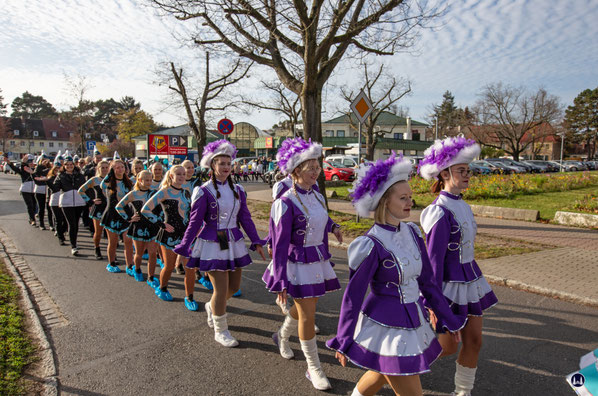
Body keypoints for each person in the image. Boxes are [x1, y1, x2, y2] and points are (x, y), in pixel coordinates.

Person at [327, 154, 466, 396]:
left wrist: (447, 318)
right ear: (384, 202)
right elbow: (353, 297)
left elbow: (428, 283)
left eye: (410, 197)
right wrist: (344, 338)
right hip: (386, 325)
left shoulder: (412, 232)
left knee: (381, 373)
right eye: (403, 198)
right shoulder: (369, 245)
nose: (410, 202)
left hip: (413, 317)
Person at [419, 137, 498, 396]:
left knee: (474, 341)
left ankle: (462, 392)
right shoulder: (439, 212)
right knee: (446, 347)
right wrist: (432, 302)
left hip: (470, 279)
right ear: (444, 173)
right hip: (447, 286)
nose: (467, 175)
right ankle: (396, 369)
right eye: (461, 171)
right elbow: (432, 262)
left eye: (468, 171)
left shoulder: (462, 205)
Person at [262, 137, 342, 390]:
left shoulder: (316, 195)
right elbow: (280, 244)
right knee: (308, 314)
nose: (317, 172)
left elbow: (321, 218)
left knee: (303, 310)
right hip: (297, 263)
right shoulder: (284, 203)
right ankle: (314, 368)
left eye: (318, 167)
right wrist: (281, 279)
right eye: (311, 168)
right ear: (296, 170)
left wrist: (334, 226)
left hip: (316, 260)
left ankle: (281, 336)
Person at [174, 140, 266, 343]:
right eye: (221, 163)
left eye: (228, 163)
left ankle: (212, 306)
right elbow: (194, 221)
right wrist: (184, 247)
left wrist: (256, 240)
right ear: (212, 166)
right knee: (221, 289)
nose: (225, 167)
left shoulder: (238, 190)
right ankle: (220, 330)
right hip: (212, 242)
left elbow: (246, 218)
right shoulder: (204, 191)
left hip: (233, 241)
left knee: (233, 287)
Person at [141, 165, 191, 302]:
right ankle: (163, 288)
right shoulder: (164, 192)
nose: (181, 176)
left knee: (189, 267)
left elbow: (190, 213)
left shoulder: (186, 192)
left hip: (185, 234)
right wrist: (161, 224)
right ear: (171, 176)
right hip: (169, 235)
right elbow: (145, 210)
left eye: (183, 174)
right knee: (169, 266)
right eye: (178, 174)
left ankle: (189, 297)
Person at [116, 170, 160, 284]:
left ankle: (151, 276)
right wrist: (129, 217)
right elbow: (119, 206)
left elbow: (161, 208)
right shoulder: (133, 194)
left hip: (153, 227)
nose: (149, 182)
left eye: (150, 180)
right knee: (139, 253)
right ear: (139, 180)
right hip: (138, 227)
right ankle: (137, 269)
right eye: (146, 180)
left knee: (152, 253)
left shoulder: (155, 193)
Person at [101, 154, 134, 273]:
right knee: (113, 241)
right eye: (117, 167)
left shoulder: (129, 182)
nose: (120, 169)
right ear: (112, 169)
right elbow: (102, 185)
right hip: (112, 215)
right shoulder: (109, 182)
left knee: (128, 240)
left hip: (126, 214)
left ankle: (130, 265)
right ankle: (111, 263)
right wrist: (110, 174)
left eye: (122, 167)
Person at [53, 153, 87, 256]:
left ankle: (74, 241)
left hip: (79, 202)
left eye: (71, 164)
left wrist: (89, 201)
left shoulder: (80, 175)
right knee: (71, 224)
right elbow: (55, 188)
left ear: (74, 165)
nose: (69, 166)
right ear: (64, 166)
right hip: (66, 203)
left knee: (75, 224)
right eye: (67, 165)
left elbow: (85, 188)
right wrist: (47, 181)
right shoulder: (61, 175)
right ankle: (74, 246)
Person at [78, 160, 110, 260]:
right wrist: (91, 201)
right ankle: (97, 248)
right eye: (102, 168)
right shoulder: (94, 180)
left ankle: (112, 254)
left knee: (111, 233)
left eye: (106, 167)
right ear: (98, 169)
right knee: (98, 232)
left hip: (109, 208)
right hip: (99, 208)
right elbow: (81, 191)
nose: (104, 169)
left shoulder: (112, 179)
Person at [5, 154, 38, 226]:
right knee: (30, 205)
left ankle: (33, 216)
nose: (31, 164)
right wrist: (9, 163)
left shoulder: (35, 170)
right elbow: (15, 168)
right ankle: (32, 219)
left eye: (32, 162)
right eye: (29, 162)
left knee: (34, 204)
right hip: (25, 190)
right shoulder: (23, 171)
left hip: (34, 190)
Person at [46, 153, 68, 245]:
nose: (57, 170)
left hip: (65, 201)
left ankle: (61, 231)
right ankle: (60, 237)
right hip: (55, 201)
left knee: (66, 221)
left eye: (59, 168)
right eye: (56, 169)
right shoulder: (51, 178)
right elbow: (54, 188)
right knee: (58, 220)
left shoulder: (65, 176)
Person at [33, 153, 51, 230]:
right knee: (41, 208)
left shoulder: (49, 167)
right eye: (43, 160)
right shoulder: (38, 168)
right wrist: (41, 165)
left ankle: (51, 224)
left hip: (47, 190)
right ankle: (41, 223)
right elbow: (37, 174)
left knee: (49, 208)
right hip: (39, 190)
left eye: (46, 160)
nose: (44, 162)